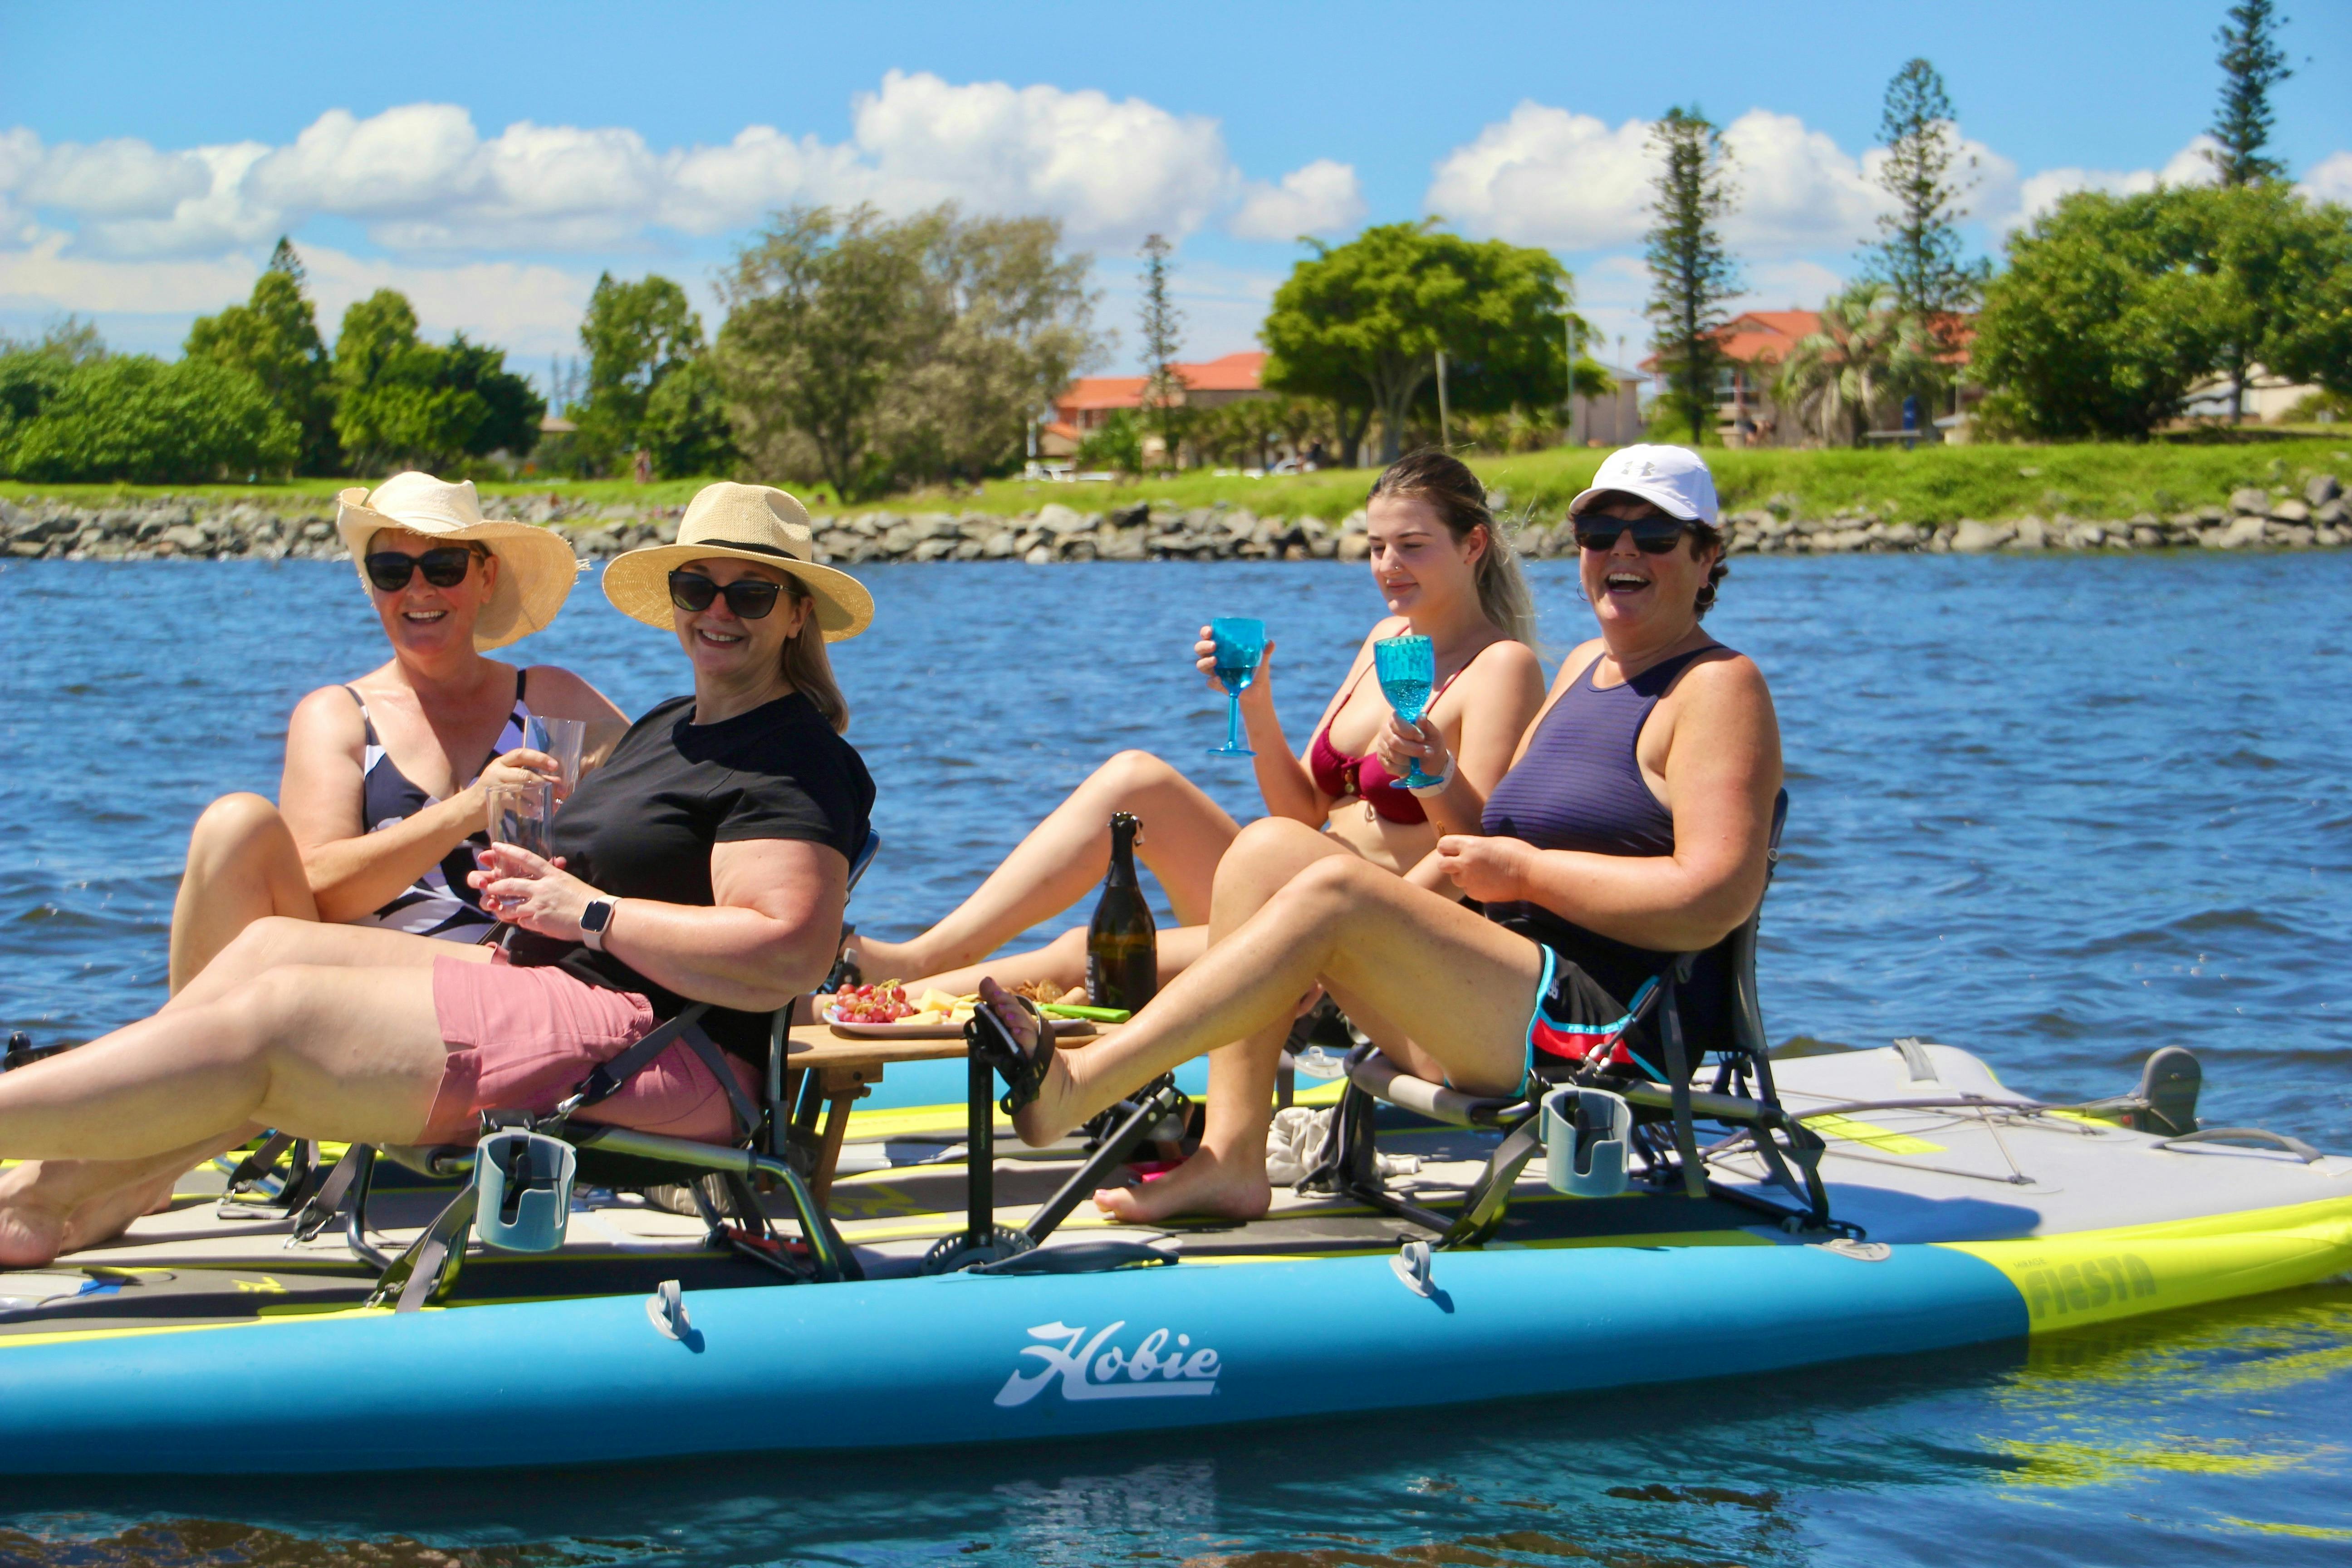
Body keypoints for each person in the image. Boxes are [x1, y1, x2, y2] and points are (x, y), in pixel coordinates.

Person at [0, 483, 877, 1267]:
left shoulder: (790, 756)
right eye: (697, 589)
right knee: (265, 949)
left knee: (281, 1018)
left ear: (796, 613)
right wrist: (542, 881)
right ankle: (60, 1187)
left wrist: (591, 912)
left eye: (749, 594)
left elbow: (789, 951)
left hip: (652, 1041)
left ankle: (41, 1173)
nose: (717, 612)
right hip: (540, 979)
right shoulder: (671, 725)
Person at [970, 443, 1784, 1224]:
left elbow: (1710, 901)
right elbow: (1482, 845)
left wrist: (1528, 874)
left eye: (1653, 535)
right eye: (1599, 533)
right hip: (1490, 989)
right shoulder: (1581, 668)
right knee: (1268, 849)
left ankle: (1081, 1083)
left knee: (1328, 887)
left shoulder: (1718, 686)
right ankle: (1229, 1157)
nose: (1620, 552)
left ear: (1708, 555)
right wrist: (1435, 780)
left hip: (1592, 1024)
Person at [855, 450, 1546, 1002]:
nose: (1388, 566)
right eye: (1376, 547)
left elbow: (1475, 858)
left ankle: (861, 1006)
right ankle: (922, 959)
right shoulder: (1384, 641)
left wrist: (1343, 920)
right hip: (1295, 880)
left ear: (1473, 544)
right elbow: (1303, 810)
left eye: (1413, 546)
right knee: (1136, 781)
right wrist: (1256, 699)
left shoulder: (1501, 667)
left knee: (1079, 957)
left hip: (1384, 926)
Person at [167, 471, 624, 994]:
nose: (419, 589)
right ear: (372, 586)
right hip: (369, 988)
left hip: (519, 979)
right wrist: (471, 808)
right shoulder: (338, 715)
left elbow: (665, 782)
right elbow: (321, 891)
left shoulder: (547, 697)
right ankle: (183, 1056)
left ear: (486, 577)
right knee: (233, 825)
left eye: (443, 566)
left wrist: (598, 782)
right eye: (392, 571)